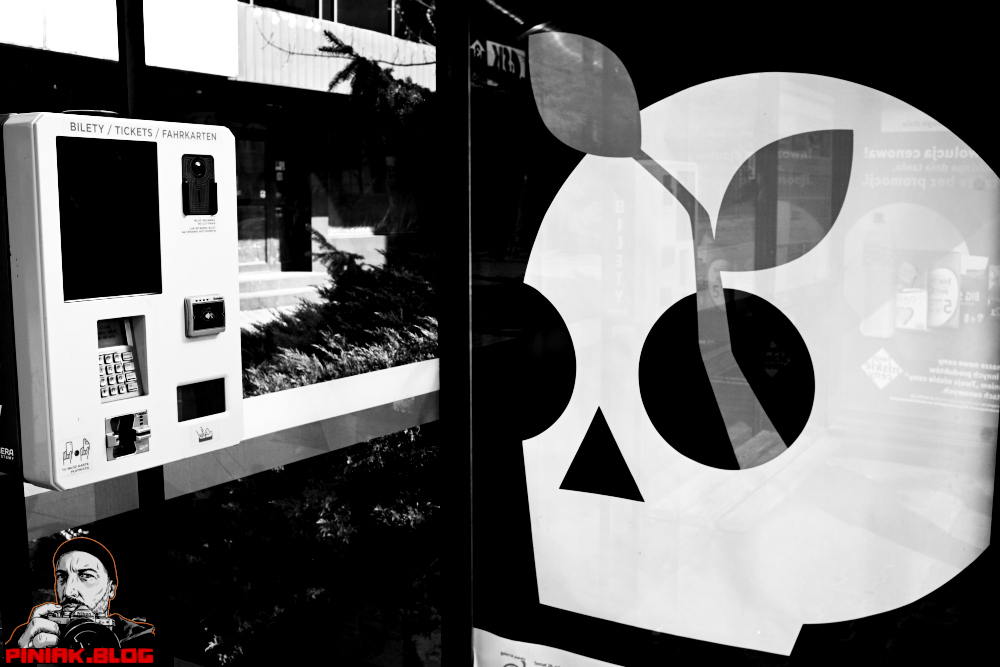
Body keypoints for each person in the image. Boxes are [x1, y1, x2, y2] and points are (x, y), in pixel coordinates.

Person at [5, 537, 154, 649]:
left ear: (111, 589)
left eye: (86, 576)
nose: (68, 591)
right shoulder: (33, 633)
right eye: (62, 577)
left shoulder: (141, 639)